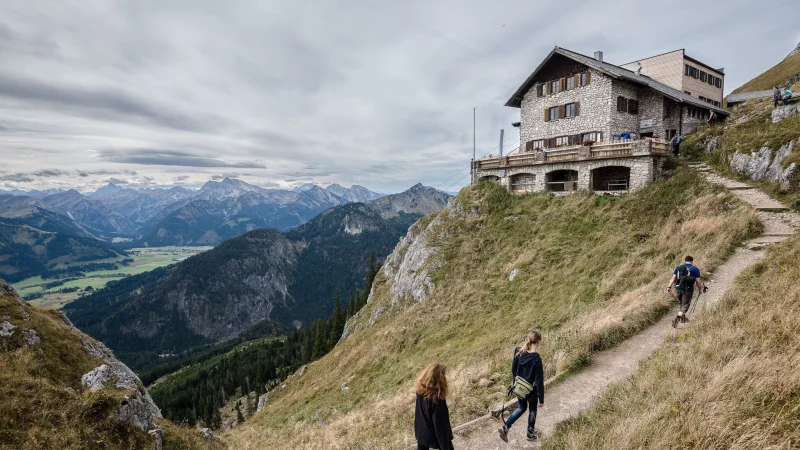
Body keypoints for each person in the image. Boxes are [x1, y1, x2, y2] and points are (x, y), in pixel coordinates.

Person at [498, 330, 545, 443]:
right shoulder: (536, 358)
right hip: (531, 390)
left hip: (519, 387)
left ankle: (506, 427)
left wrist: (516, 383)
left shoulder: (518, 351)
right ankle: (530, 433)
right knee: (532, 409)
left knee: (521, 407)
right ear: (538, 342)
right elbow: (539, 381)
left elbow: (513, 370)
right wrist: (541, 399)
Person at [414, 362, 454, 450]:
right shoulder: (437, 400)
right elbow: (440, 426)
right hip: (434, 433)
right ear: (439, 378)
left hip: (422, 431)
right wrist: (445, 446)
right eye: (443, 374)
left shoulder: (420, 390)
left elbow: (419, 412)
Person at [667, 255, 704, 327]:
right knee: (685, 305)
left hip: (678, 288)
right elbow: (698, 282)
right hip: (688, 289)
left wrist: (669, 287)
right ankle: (677, 319)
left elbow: (673, 278)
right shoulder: (695, 269)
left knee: (681, 303)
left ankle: (683, 319)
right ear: (692, 261)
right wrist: (700, 290)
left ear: (685, 261)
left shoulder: (678, 267)